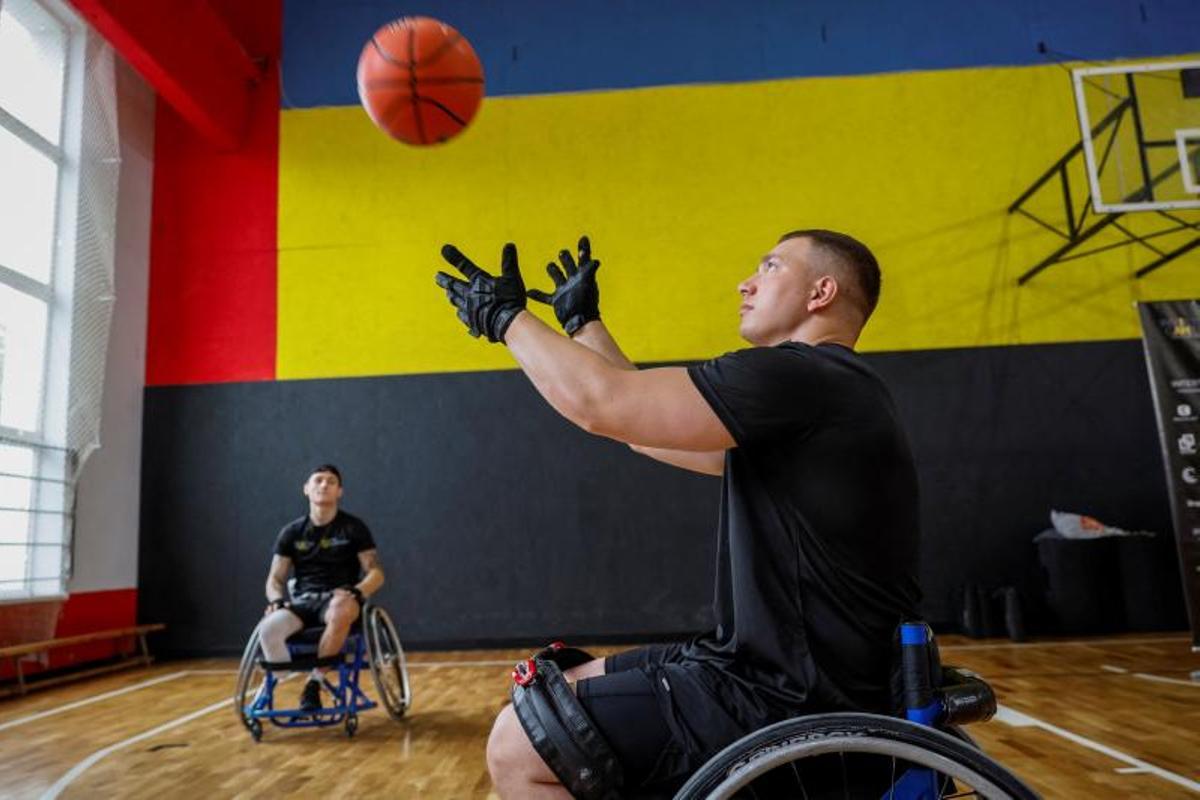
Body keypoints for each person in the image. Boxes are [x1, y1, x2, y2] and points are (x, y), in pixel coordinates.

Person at [434, 231, 921, 798]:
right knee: (557, 686)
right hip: (781, 670)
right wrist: (582, 324)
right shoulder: (834, 392)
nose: (747, 281)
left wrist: (504, 319)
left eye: (769, 265)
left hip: (787, 697)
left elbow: (604, 405)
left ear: (821, 292)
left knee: (517, 743)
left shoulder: (798, 376)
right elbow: (643, 429)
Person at [259, 464, 384, 713]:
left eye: (331, 481)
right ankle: (281, 680)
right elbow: (275, 578)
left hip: (337, 599)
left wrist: (357, 592)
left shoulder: (353, 528)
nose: (324, 485)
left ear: (340, 491)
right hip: (302, 601)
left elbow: (376, 572)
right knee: (269, 627)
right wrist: (276, 599)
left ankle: (314, 682)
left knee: (340, 607)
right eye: (318, 480)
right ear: (306, 489)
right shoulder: (292, 532)